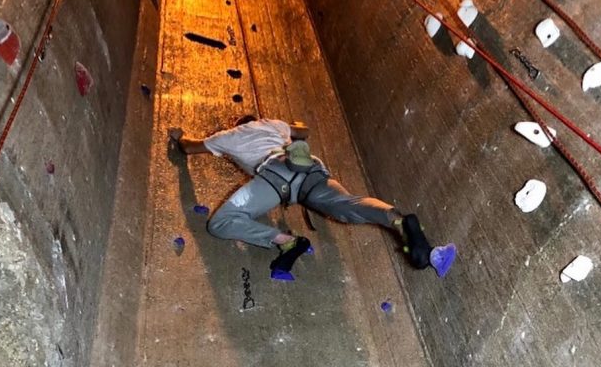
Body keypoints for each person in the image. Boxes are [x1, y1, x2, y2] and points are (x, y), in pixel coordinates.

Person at [168, 115, 433, 278]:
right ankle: (397, 219)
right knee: (347, 205)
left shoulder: (228, 136)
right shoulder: (273, 123)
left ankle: (285, 241)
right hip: (313, 170)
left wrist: (180, 137)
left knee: (220, 224)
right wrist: (291, 128)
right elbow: (304, 130)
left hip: (275, 176)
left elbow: (189, 148)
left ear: (238, 124)